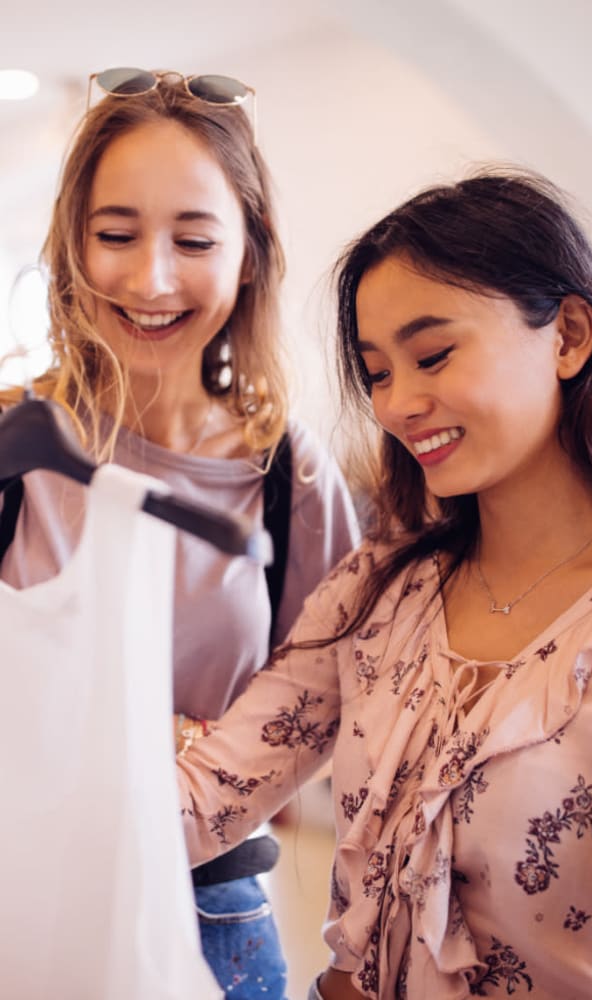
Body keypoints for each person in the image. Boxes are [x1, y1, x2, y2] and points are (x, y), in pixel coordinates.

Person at [174, 168, 592, 1000]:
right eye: (375, 373)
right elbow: (206, 798)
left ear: (569, 335)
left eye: (432, 355)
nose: (398, 404)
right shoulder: (381, 585)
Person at [0, 69, 360, 998]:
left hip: (210, 906)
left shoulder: (291, 471)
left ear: (248, 254)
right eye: (114, 234)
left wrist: (169, 794)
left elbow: (322, 689)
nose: (150, 278)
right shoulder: (15, 443)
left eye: (193, 239)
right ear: (72, 245)